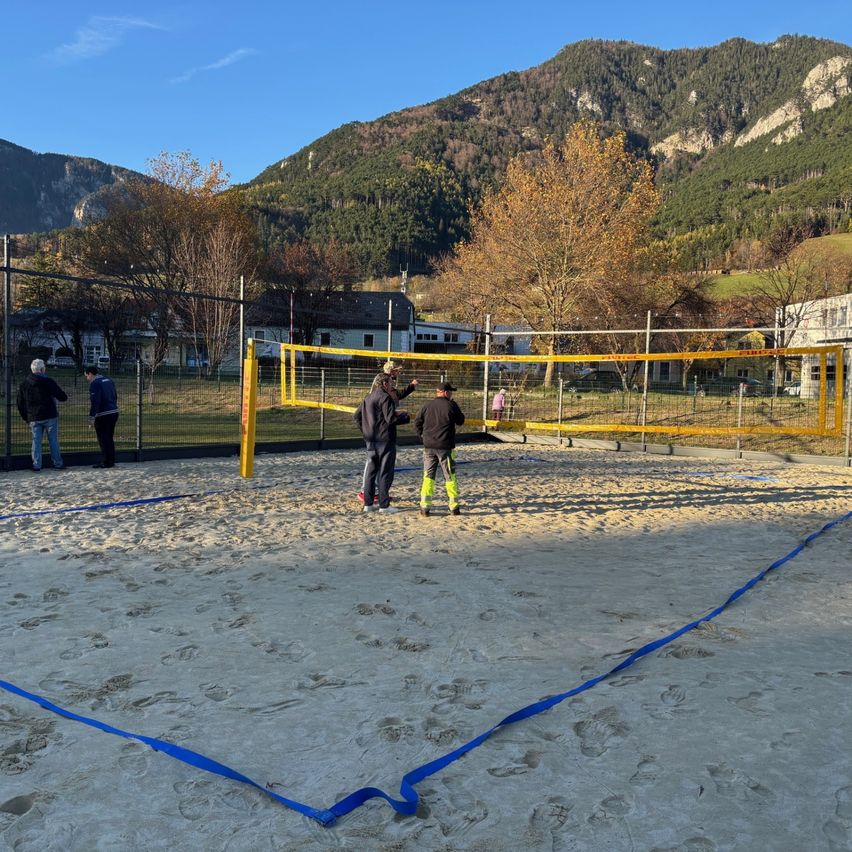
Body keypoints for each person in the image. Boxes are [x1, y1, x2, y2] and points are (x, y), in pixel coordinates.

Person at [357, 360, 419, 506]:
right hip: (381, 435)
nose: (398, 372)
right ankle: (372, 495)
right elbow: (395, 399)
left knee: (374, 465)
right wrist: (411, 387)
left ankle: (370, 496)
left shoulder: (382, 386)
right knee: (381, 468)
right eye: (396, 370)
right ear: (390, 373)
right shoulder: (384, 387)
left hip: (373, 434)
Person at [414, 381, 466, 517]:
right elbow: (461, 420)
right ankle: (454, 507)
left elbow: (417, 422)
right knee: (450, 476)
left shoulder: (427, 406)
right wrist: (454, 405)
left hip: (429, 447)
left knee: (428, 476)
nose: (452, 394)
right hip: (446, 448)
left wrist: (422, 437)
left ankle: (425, 507)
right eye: (451, 392)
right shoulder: (451, 405)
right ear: (445, 392)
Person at [354, 374, 402, 514]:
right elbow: (390, 419)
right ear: (385, 383)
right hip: (385, 440)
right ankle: (384, 506)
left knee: (371, 472)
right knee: (385, 473)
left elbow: (356, 416)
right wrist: (404, 417)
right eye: (391, 382)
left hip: (371, 440)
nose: (392, 385)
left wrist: (365, 431)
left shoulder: (368, 397)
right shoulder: (385, 397)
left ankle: (368, 505)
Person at [16, 358, 68, 471]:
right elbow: (62, 396)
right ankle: (58, 463)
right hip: (50, 415)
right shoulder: (48, 381)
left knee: (36, 441)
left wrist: (26, 417)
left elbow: (20, 403)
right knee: (53, 440)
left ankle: (36, 465)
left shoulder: (24, 384)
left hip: (34, 417)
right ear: (42, 369)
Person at [84, 365, 119, 468]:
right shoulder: (108, 380)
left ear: (90, 374)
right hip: (114, 411)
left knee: (103, 439)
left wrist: (91, 418)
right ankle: (111, 460)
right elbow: (115, 395)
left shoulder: (95, 384)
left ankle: (105, 461)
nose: (87, 379)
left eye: (87, 376)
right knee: (109, 437)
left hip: (103, 414)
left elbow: (95, 402)